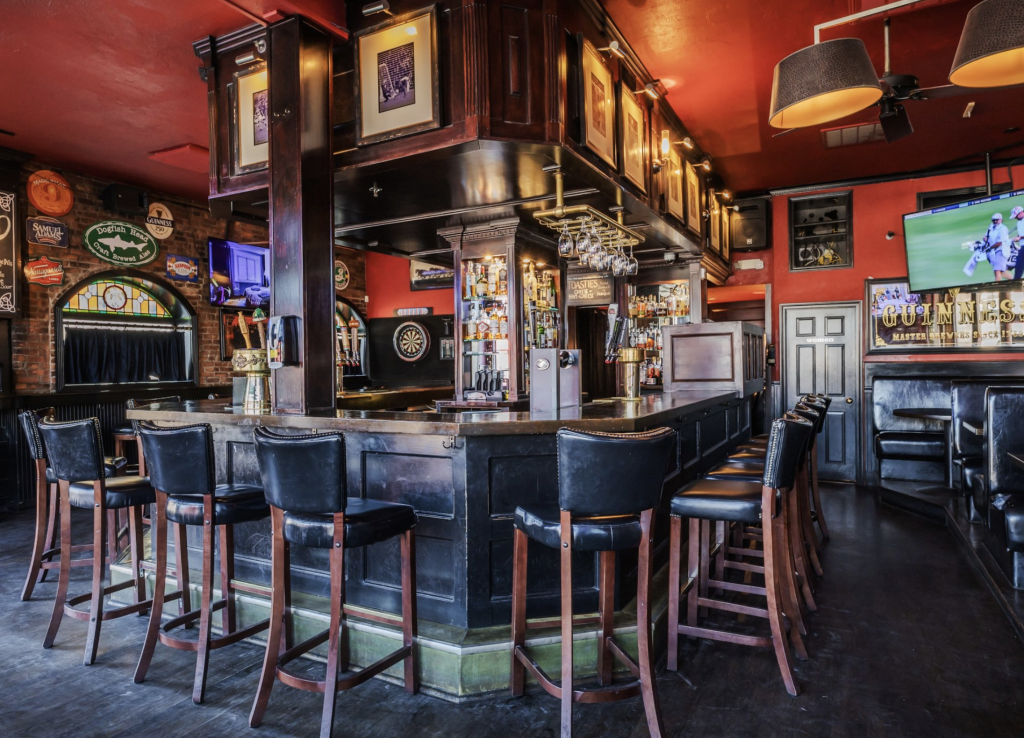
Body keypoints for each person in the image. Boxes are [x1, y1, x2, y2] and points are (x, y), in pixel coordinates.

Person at [984, 213, 1012, 280]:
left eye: (997, 220)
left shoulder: (1002, 229)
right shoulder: (991, 227)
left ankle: (998, 288)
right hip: (994, 252)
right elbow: (987, 236)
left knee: (997, 271)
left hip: (1002, 251)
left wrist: (989, 248)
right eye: (993, 220)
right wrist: (985, 238)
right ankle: (1015, 281)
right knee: (1001, 272)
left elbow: (999, 243)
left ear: (1001, 220)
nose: (995, 221)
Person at [1010, 206, 1024, 280]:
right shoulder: (1019, 222)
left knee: (1019, 262)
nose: (1015, 218)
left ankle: (1016, 281)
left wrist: (1020, 238)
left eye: (1016, 216)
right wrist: (1017, 237)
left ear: (1021, 212)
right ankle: (1016, 281)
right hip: (1022, 246)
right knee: (1019, 263)